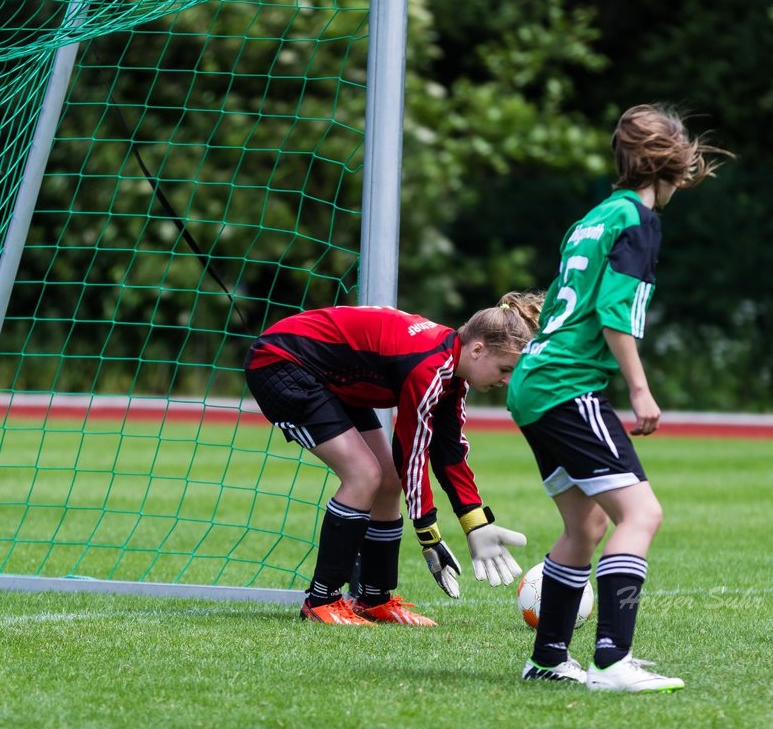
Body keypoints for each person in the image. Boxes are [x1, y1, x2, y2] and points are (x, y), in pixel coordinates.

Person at [508, 104, 730, 690]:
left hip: (533, 381)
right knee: (641, 513)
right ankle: (611, 660)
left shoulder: (595, 215)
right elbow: (614, 313)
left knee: (584, 529)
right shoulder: (637, 220)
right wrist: (640, 389)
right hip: (565, 383)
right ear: (677, 167)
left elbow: (562, 297)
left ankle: (549, 659)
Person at [244, 295, 541, 625]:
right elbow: (411, 452)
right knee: (364, 475)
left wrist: (475, 522)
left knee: (387, 480)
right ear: (477, 349)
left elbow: (449, 451)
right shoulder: (429, 367)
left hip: (327, 375)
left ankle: (374, 599)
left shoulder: (452, 370)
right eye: (506, 369)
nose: (507, 380)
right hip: (281, 363)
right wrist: (430, 535)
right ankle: (321, 600)